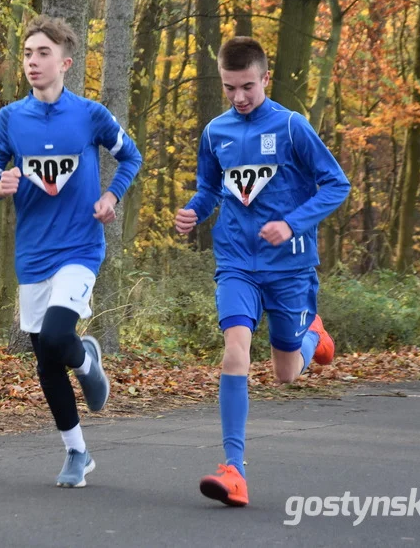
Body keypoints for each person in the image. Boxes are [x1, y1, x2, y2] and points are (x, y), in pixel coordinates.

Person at [174, 36, 350, 508]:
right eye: (230, 87)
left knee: (286, 374)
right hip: (235, 262)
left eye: (247, 86)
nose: (239, 97)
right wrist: (193, 210)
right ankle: (234, 470)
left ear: (265, 78)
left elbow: (337, 184)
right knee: (235, 352)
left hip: (290, 268)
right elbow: (211, 189)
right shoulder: (215, 132)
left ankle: (313, 335)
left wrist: (291, 223)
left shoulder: (292, 128)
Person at [0, 15, 142, 488]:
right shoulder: (10, 119)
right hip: (32, 254)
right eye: (27, 54)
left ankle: (86, 360)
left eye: (42, 54)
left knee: (55, 337)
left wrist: (111, 197)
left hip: (79, 247)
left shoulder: (90, 114)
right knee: (46, 360)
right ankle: (78, 453)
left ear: (65, 63)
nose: (32, 62)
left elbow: (130, 155)